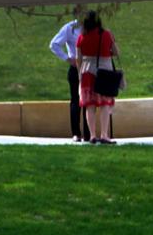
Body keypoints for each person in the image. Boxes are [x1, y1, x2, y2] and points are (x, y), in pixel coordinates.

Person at [75, 10, 120, 144]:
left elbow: (79, 58)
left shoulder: (82, 37)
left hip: (87, 71)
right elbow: (116, 52)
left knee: (90, 105)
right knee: (105, 104)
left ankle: (93, 135)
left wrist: (79, 73)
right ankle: (105, 135)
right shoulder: (107, 34)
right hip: (104, 70)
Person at [49, 8, 87, 142]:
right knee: (76, 101)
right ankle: (76, 133)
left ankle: (88, 133)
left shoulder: (90, 27)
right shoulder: (69, 28)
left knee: (88, 101)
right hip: (76, 67)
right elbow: (54, 44)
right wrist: (67, 58)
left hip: (89, 68)